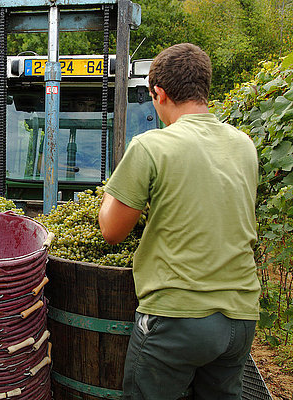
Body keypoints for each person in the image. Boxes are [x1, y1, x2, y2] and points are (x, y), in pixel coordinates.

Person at [98, 43, 260, 400]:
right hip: (240, 318)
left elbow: (111, 231)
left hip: (178, 318)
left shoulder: (150, 147)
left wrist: (112, 191)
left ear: (159, 93)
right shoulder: (244, 145)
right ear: (205, 90)